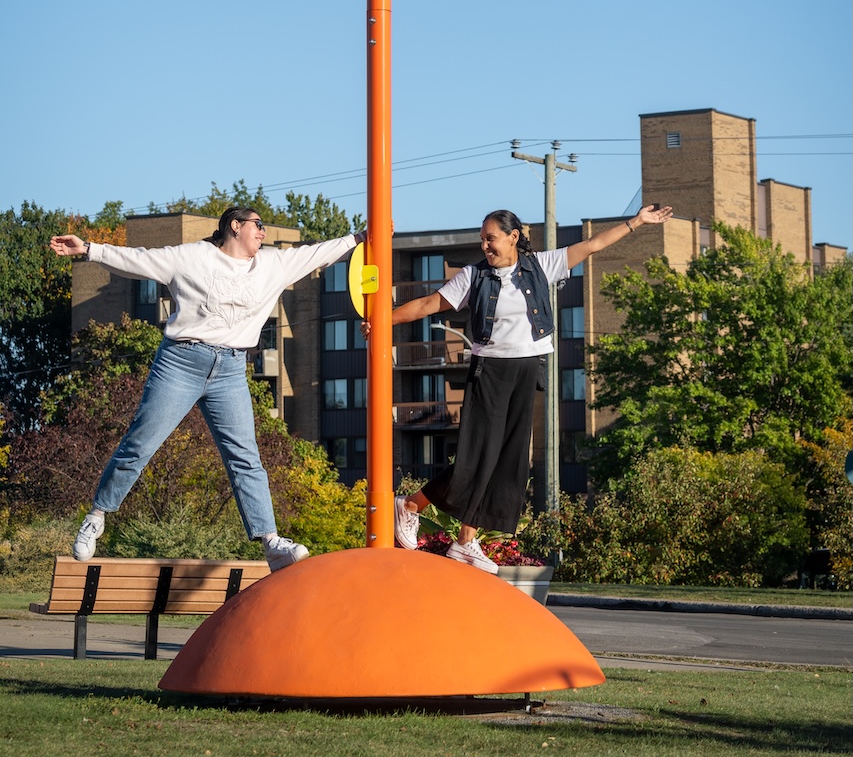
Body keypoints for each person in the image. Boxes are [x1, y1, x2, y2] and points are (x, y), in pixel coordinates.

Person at [50, 207, 366, 570]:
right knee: (140, 442)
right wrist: (88, 248)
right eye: (258, 225)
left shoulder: (273, 265)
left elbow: (317, 253)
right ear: (235, 226)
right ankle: (97, 515)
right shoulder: (191, 257)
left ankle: (271, 543)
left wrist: (359, 238)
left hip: (230, 370)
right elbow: (138, 261)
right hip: (181, 362)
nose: (263, 233)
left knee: (245, 456)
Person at [385, 204, 672, 573]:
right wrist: (383, 319)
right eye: (482, 239)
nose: (485, 245)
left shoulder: (541, 266)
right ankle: (411, 505)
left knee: (508, 462)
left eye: (490, 238)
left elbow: (592, 245)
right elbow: (429, 304)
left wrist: (636, 222)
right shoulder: (474, 276)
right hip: (490, 372)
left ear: (513, 237)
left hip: (527, 369)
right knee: (478, 456)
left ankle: (465, 541)